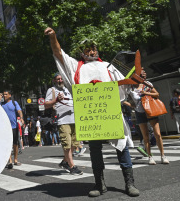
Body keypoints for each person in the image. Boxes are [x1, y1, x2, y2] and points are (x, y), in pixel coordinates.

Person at [45, 27, 139, 197]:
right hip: (91, 119)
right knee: (95, 151)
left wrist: (135, 80)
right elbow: (58, 53)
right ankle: (99, 183)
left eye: (94, 48)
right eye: (88, 48)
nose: (92, 50)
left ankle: (129, 183)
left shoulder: (109, 67)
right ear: (82, 52)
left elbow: (124, 86)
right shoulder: (75, 67)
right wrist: (53, 37)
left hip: (111, 116)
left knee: (122, 148)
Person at [124, 69, 169, 165]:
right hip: (139, 112)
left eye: (143, 73)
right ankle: (150, 157)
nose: (143, 75)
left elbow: (157, 94)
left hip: (151, 110)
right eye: (141, 74)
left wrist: (146, 93)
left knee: (157, 134)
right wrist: (128, 104)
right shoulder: (130, 88)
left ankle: (163, 156)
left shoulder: (147, 84)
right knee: (146, 137)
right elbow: (129, 102)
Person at [44, 73, 83, 175]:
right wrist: (56, 100)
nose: (60, 80)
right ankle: (72, 166)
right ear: (54, 81)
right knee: (67, 145)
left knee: (75, 144)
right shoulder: (52, 90)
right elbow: (45, 105)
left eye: (61, 78)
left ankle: (65, 162)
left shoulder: (68, 89)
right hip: (63, 121)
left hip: (74, 120)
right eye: (58, 79)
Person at [0, 90, 25, 169]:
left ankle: (15, 160)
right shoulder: (1, 104)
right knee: (8, 144)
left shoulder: (14, 103)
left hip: (14, 126)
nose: (4, 96)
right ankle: (10, 160)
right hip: (5, 127)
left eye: (6, 94)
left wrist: (21, 118)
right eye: (3, 95)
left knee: (15, 144)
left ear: (10, 95)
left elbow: (19, 111)